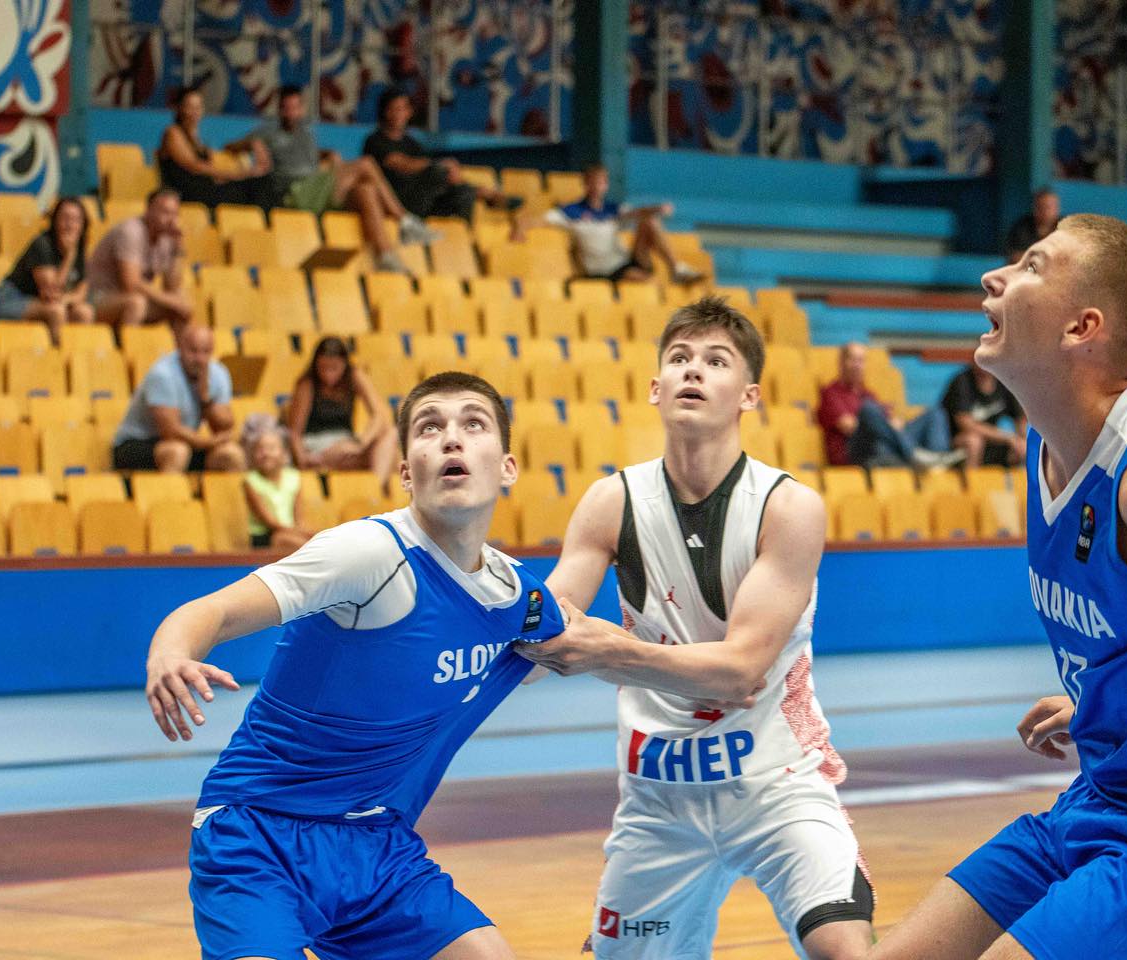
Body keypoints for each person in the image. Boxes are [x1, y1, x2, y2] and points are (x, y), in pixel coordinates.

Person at [871, 215, 1127, 960]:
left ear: (1082, 328)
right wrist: (1114, 703)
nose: (995, 277)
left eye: (1032, 266)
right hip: (1101, 799)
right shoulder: (1047, 443)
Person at [144, 371, 565, 960]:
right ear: (405, 471)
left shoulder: (513, 594)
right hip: (257, 832)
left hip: (374, 842)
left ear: (508, 467)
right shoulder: (366, 554)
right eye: (430, 427)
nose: (451, 437)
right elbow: (212, 611)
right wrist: (170, 655)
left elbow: (567, 642)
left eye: (473, 423)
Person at [515, 296, 874, 960]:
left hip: (776, 785)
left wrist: (607, 649)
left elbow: (739, 672)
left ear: (749, 396)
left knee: (842, 947)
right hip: (659, 802)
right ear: (655, 388)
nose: (693, 370)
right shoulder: (611, 501)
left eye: (716, 360)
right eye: (679, 358)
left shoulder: (788, 507)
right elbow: (546, 640)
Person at [225, 84, 438, 275]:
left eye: (295, 107)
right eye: (286, 108)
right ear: (279, 109)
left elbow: (307, 156)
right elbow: (230, 146)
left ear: (302, 108)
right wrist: (251, 144)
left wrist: (327, 153)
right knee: (366, 164)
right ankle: (405, 221)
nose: (291, 112)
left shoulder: (307, 133)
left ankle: (385, 257)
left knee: (366, 190)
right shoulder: (267, 131)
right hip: (296, 193)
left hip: (316, 189)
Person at [363, 90, 520, 222]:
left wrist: (448, 171)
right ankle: (488, 195)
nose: (399, 114)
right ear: (385, 112)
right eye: (395, 109)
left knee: (464, 193)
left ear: (409, 112)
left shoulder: (411, 142)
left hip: (426, 202)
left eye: (404, 109)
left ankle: (466, 237)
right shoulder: (375, 140)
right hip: (396, 201)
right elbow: (400, 164)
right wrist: (440, 165)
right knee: (439, 171)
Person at [111, 323, 244, 473]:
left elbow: (224, 426)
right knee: (177, 452)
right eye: (193, 351)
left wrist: (206, 399)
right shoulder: (163, 374)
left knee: (231, 454)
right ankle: (168, 490)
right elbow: (170, 431)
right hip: (136, 444)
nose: (199, 359)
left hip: (186, 444)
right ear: (180, 347)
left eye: (205, 352)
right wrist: (207, 442)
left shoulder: (218, 373)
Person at [544, 164, 705, 284]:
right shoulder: (572, 211)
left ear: (606, 185)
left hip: (623, 262)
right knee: (646, 282)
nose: (597, 187)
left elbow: (636, 212)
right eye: (593, 182)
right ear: (585, 184)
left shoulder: (612, 209)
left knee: (650, 220)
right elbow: (544, 219)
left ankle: (676, 269)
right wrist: (526, 225)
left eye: (601, 182)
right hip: (602, 271)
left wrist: (657, 208)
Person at [815, 343, 962, 469]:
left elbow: (890, 424)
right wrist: (886, 425)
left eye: (861, 361)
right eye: (853, 360)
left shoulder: (868, 394)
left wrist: (890, 425)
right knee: (868, 410)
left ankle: (938, 459)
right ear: (841, 362)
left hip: (885, 448)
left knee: (935, 413)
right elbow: (850, 427)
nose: (857, 366)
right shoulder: (831, 393)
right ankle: (912, 453)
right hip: (857, 452)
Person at [284, 336, 399, 494]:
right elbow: (295, 432)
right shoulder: (307, 384)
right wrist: (302, 460)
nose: (328, 374)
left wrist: (360, 443)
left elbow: (379, 415)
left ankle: (375, 491)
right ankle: (376, 494)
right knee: (392, 458)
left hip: (347, 444)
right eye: (323, 368)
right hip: (318, 446)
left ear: (344, 364)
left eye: (334, 368)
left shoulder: (354, 376)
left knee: (390, 436)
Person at [0, 196, 92, 345]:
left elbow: (81, 292)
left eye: (76, 220)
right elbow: (51, 292)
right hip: (10, 300)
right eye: (65, 218)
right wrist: (69, 257)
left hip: (43, 302)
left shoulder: (79, 249)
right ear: (55, 221)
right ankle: (58, 357)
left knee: (84, 312)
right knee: (56, 311)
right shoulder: (42, 245)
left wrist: (67, 299)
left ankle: (77, 356)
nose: (70, 225)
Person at [156, 86, 279, 211]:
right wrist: (237, 175)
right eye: (190, 107)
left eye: (198, 107)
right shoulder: (173, 132)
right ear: (179, 108)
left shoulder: (198, 140)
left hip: (208, 191)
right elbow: (194, 166)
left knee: (262, 181)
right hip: (188, 194)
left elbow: (224, 151)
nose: (195, 112)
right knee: (256, 186)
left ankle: (263, 221)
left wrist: (252, 144)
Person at [85, 188, 193, 329]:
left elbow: (172, 286)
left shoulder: (168, 237)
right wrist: (170, 300)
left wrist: (178, 249)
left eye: (175, 214)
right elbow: (130, 284)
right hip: (97, 297)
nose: (171, 220)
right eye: (165, 212)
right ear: (148, 211)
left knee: (182, 307)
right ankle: (126, 343)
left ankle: (181, 345)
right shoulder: (131, 231)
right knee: (136, 303)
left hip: (130, 297)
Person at [940, 363, 1027, 467]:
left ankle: (1015, 477)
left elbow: (1020, 419)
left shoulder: (1004, 382)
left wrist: (1021, 440)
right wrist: (1007, 438)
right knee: (974, 441)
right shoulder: (962, 382)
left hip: (992, 441)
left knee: (1022, 446)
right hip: (956, 440)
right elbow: (966, 424)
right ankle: (972, 477)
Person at [243, 427, 313, 551]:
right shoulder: (250, 481)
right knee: (282, 539)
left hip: (291, 532)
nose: (265, 454)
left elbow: (298, 517)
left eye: (271, 448)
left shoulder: (294, 477)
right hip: (266, 536)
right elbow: (269, 522)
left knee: (316, 537)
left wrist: (305, 532)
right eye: (260, 449)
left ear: (285, 454)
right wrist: (300, 533)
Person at [1004, 186, 1059, 264]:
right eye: (1041, 207)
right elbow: (1014, 257)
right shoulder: (1021, 227)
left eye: (1049, 207)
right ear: (1034, 208)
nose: (1045, 211)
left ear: (1057, 208)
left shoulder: (1066, 229)